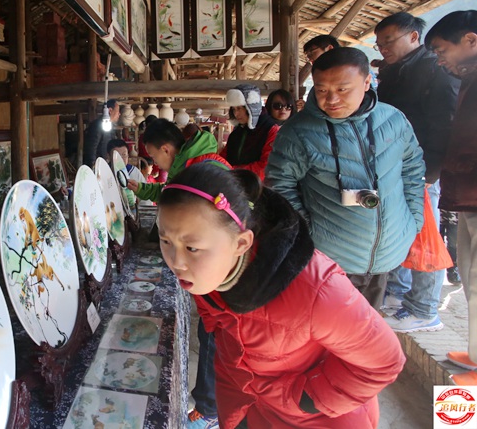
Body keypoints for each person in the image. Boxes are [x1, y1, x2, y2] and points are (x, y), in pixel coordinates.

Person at [158, 164, 405, 428]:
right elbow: (215, 320)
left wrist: (306, 399)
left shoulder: (316, 290)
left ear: (241, 243)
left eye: (191, 247)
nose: (176, 262)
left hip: (315, 419)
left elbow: (385, 361)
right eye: (166, 241)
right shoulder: (206, 273)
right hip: (244, 408)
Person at [265, 47, 425, 309]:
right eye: (321, 89)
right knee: (329, 330)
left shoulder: (393, 120)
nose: (331, 99)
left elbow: (412, 169)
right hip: (330, 260)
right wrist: (309, 233)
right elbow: (279, 185)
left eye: (342, 89)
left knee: (368, 327)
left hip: (386, 254)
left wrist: (413, 220)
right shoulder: (298, 131)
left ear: (366, 82)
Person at [126, 118, 227, 429]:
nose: (155, 162)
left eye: (154, 156)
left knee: (214, 332)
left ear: (167, 149)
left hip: (220, 263)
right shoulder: (189, 163)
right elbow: (170, 193)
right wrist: (144, 188)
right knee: (210, 329)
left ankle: (209, 411)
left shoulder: (202, 167)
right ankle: (212, 406)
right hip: (212, 261)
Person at [373, 12, 460, 333]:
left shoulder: (434, 69)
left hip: (422, 171)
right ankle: (398, 293)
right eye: (379, 44)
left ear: (413, 37)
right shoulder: (394, 72)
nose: (383, 48)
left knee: (426, 237)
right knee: (400, 233)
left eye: (388, 41)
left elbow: (444, 125)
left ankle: (423, 308)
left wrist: (430, 172)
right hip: (397, 167)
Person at [424, 10, 477, 383]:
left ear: (470, 40)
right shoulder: (468, 81)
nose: (440, 60)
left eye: (442, 51)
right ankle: (475, 354)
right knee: (471, 276)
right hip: (468, 193)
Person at [219, 83, 279, 180]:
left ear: (251, 107)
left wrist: (232, 172)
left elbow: (266, 167)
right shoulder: (237, 133)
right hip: (234, 184)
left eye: (239, 108)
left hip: (259, 187)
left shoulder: (271, 130)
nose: (236, 113)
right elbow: (223, 158)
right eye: (233, 109)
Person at [83, 99, 119, 167]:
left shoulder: (110, 126)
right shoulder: (98, 125)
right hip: (98, 163)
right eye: (118, 111)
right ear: (110, 110)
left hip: (105, 162)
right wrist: (93, 164)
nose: (119, 114)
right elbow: (92, 146)